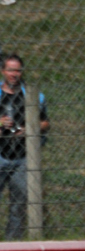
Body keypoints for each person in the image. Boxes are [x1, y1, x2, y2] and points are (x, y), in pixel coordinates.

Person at [1, 54, 49, 241]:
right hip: (0, 153)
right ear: (3, 71)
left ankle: (12, 244)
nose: (14, 74)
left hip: (23, 156)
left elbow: (45, 123)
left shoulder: (34, 96)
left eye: (18, 70)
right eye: (10, 69)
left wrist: (30, 128)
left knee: (19, 204)